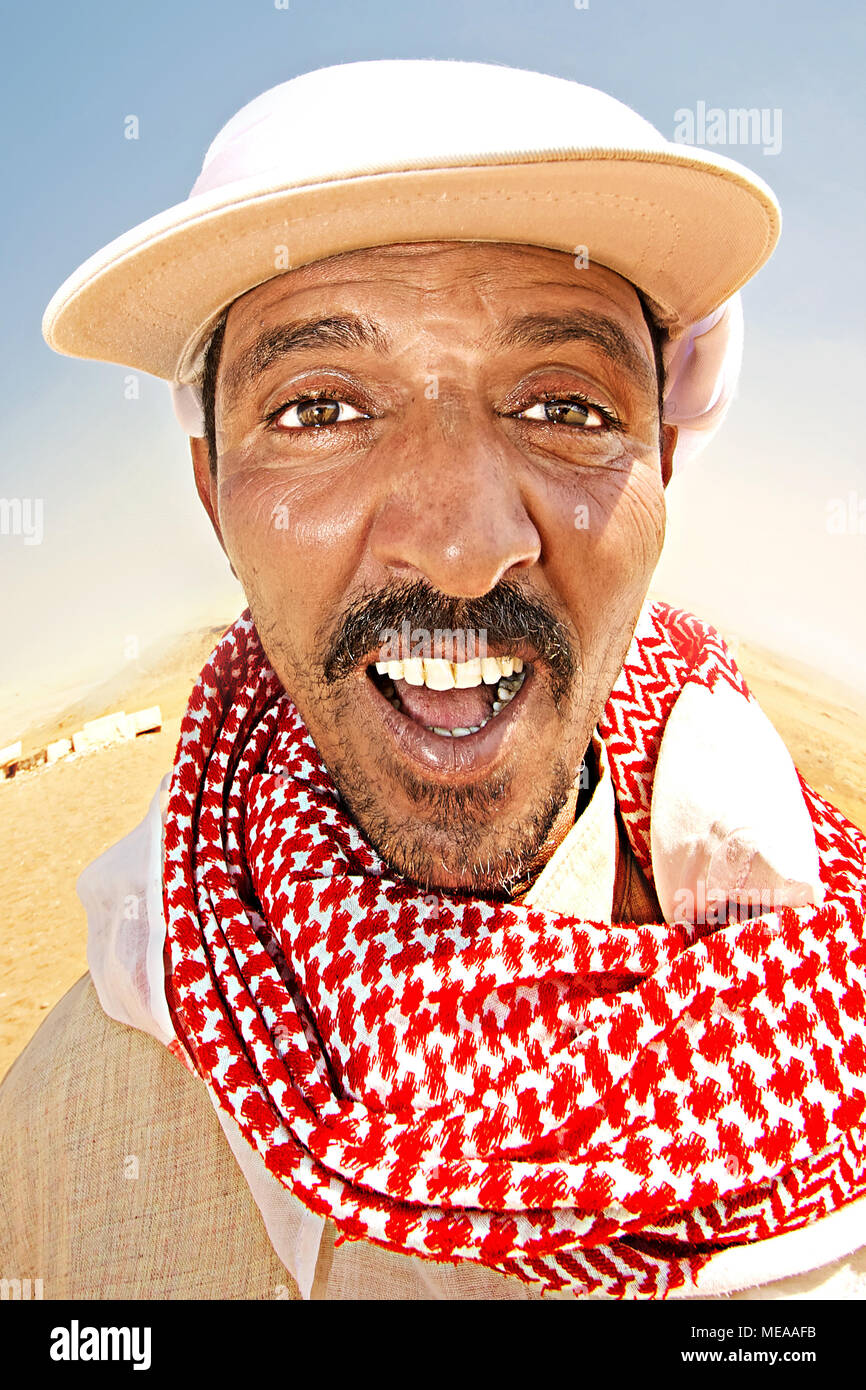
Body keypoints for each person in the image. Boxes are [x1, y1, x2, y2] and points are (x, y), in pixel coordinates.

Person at [2, 59, 865, 1301]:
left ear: (662, 466)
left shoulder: (816, 968)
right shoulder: (61, 1156)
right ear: (212, 495)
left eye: (562, 403)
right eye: (316, 412)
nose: (461, 545)